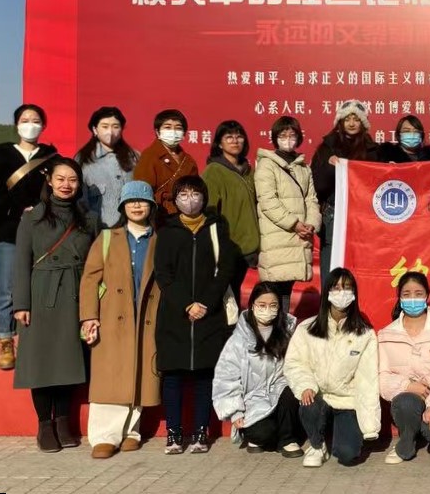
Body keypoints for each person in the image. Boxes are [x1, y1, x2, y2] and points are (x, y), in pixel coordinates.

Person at [13, 158, 99, 452]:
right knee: (42, 363)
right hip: (41, 295)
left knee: (68, 362)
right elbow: (21, 262)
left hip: (75, 295)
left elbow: (96, 263)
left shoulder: (89, 219)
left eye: (72, 180)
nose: (66, 185)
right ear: (49, 181)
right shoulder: (32, 218)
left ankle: (63, 421)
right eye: (60, 179)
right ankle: (44, 426)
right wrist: (21, 304)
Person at [78, 181, 162, 459]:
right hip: (111, 316)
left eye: (142, 200)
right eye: (131, 201)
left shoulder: (159, 240)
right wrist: (89, 316)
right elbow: (90, 280)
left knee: (140, 372)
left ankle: (130, 432)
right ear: (123, 207)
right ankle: (104, 436)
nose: (137, 205)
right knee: (110, 375)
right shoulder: (107, 238)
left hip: (146, 316)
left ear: (151, 206)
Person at [154, 175, 236, 455]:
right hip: (175, 315)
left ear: (204, 197)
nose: (190, 200)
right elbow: (163, 275)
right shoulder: (167, 231)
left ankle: (201, 431)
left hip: (209, 315)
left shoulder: (216, 228)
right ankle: (174, 433)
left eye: (195, 193)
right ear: (175, 199)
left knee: (204, 376)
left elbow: (225, 269)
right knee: (173, 377)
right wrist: (186, 305)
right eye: (184, 194)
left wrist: (205, 303)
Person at [284, 267, 380, 467]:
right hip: (317, 396)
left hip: (346, 401)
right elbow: (295, 363)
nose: (341, 293)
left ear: (354, 293)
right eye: (336, 288)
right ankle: (317, 445)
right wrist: (306, 386)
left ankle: (341, 433)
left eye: (347, 287)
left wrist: (370, 426)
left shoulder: (365, 334)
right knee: (308, 404)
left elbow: (368, 380)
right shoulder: (307, 328)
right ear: (327, 292)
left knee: (348, 455)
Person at [0, 104, 57, 370]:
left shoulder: (51, 158)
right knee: (7, 287)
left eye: (36, 120)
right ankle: (6, 340)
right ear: (17, 124)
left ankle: (35, 340)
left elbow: (57, 190)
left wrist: (40, 211)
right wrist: (17, 209)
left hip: (42, 230)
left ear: (43, 125)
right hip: (8, 230)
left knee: (39, 286)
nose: (31, 125)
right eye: (25, 120)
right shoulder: (0, 155)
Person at [213, 283, 303, 458]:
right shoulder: (238, 339)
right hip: (252, 401)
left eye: (273, 305)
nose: (267, 310)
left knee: (291, 390)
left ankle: (287, 439)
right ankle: (259, 435)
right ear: (252, 305)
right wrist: (235, 411)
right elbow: (226, 378)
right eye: (262, 305)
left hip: (279, 392)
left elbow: (297, 366)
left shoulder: (288, 332)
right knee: (264, 434)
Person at [378, 272, 430, 464]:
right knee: (406, 403)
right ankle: (406, 441)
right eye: (406, 294)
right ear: (399, 297)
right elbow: (382, 377)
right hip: (408, 398)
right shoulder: (387, 334)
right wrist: (407, 385)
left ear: (427, 296)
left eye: (418, 293)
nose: (412, 299)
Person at [255, 117, 320, 313]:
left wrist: (311, 224)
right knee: (272, 292)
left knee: (286, 290)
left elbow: (311, 199)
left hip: (299, 238)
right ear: (275, 138)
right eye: (283, 135)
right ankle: (273, 328)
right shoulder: (267, 165)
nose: (288, 139)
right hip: (277, 237)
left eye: (292, 135)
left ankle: (282, 327)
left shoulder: (303, 167)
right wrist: (294, 224)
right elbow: (268, 201)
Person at [311, 100, 379, 289]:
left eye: (356, 119)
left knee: (361, 265)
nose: (351, 123)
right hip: (334, 214)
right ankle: (328, 305)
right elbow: (317, 185)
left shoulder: (373, 150)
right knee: (331, 266)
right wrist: (330, 168)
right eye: (347, 119)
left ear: (363, 123)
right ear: (340, 122)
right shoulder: (326, 148)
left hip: (364, 216)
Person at [203, 120, 259, 305]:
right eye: (229, 137)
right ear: (219, 144)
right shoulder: (214, 171)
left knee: (235, 295)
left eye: (239, 136)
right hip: (227, 246)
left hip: (248, 247)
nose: (235, 141)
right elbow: (209, 211)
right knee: (225, 298)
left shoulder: (249, 171)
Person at [75, 106, 139, 228]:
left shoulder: (134, 157)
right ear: (95, 129)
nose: (110, 132)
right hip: (98, 229)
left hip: (130, 227)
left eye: (115, 126)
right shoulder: (83, 159)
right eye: (105, 126)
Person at [133, 109, 198, 217]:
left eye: (178, 128)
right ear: (158, 132)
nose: (173, 132)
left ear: (184, 133)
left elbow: (197, 189)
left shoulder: (188, 160)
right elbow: (142, 191)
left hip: (186, 214)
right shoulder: (149, 155)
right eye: (167, 127)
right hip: (159, 214)